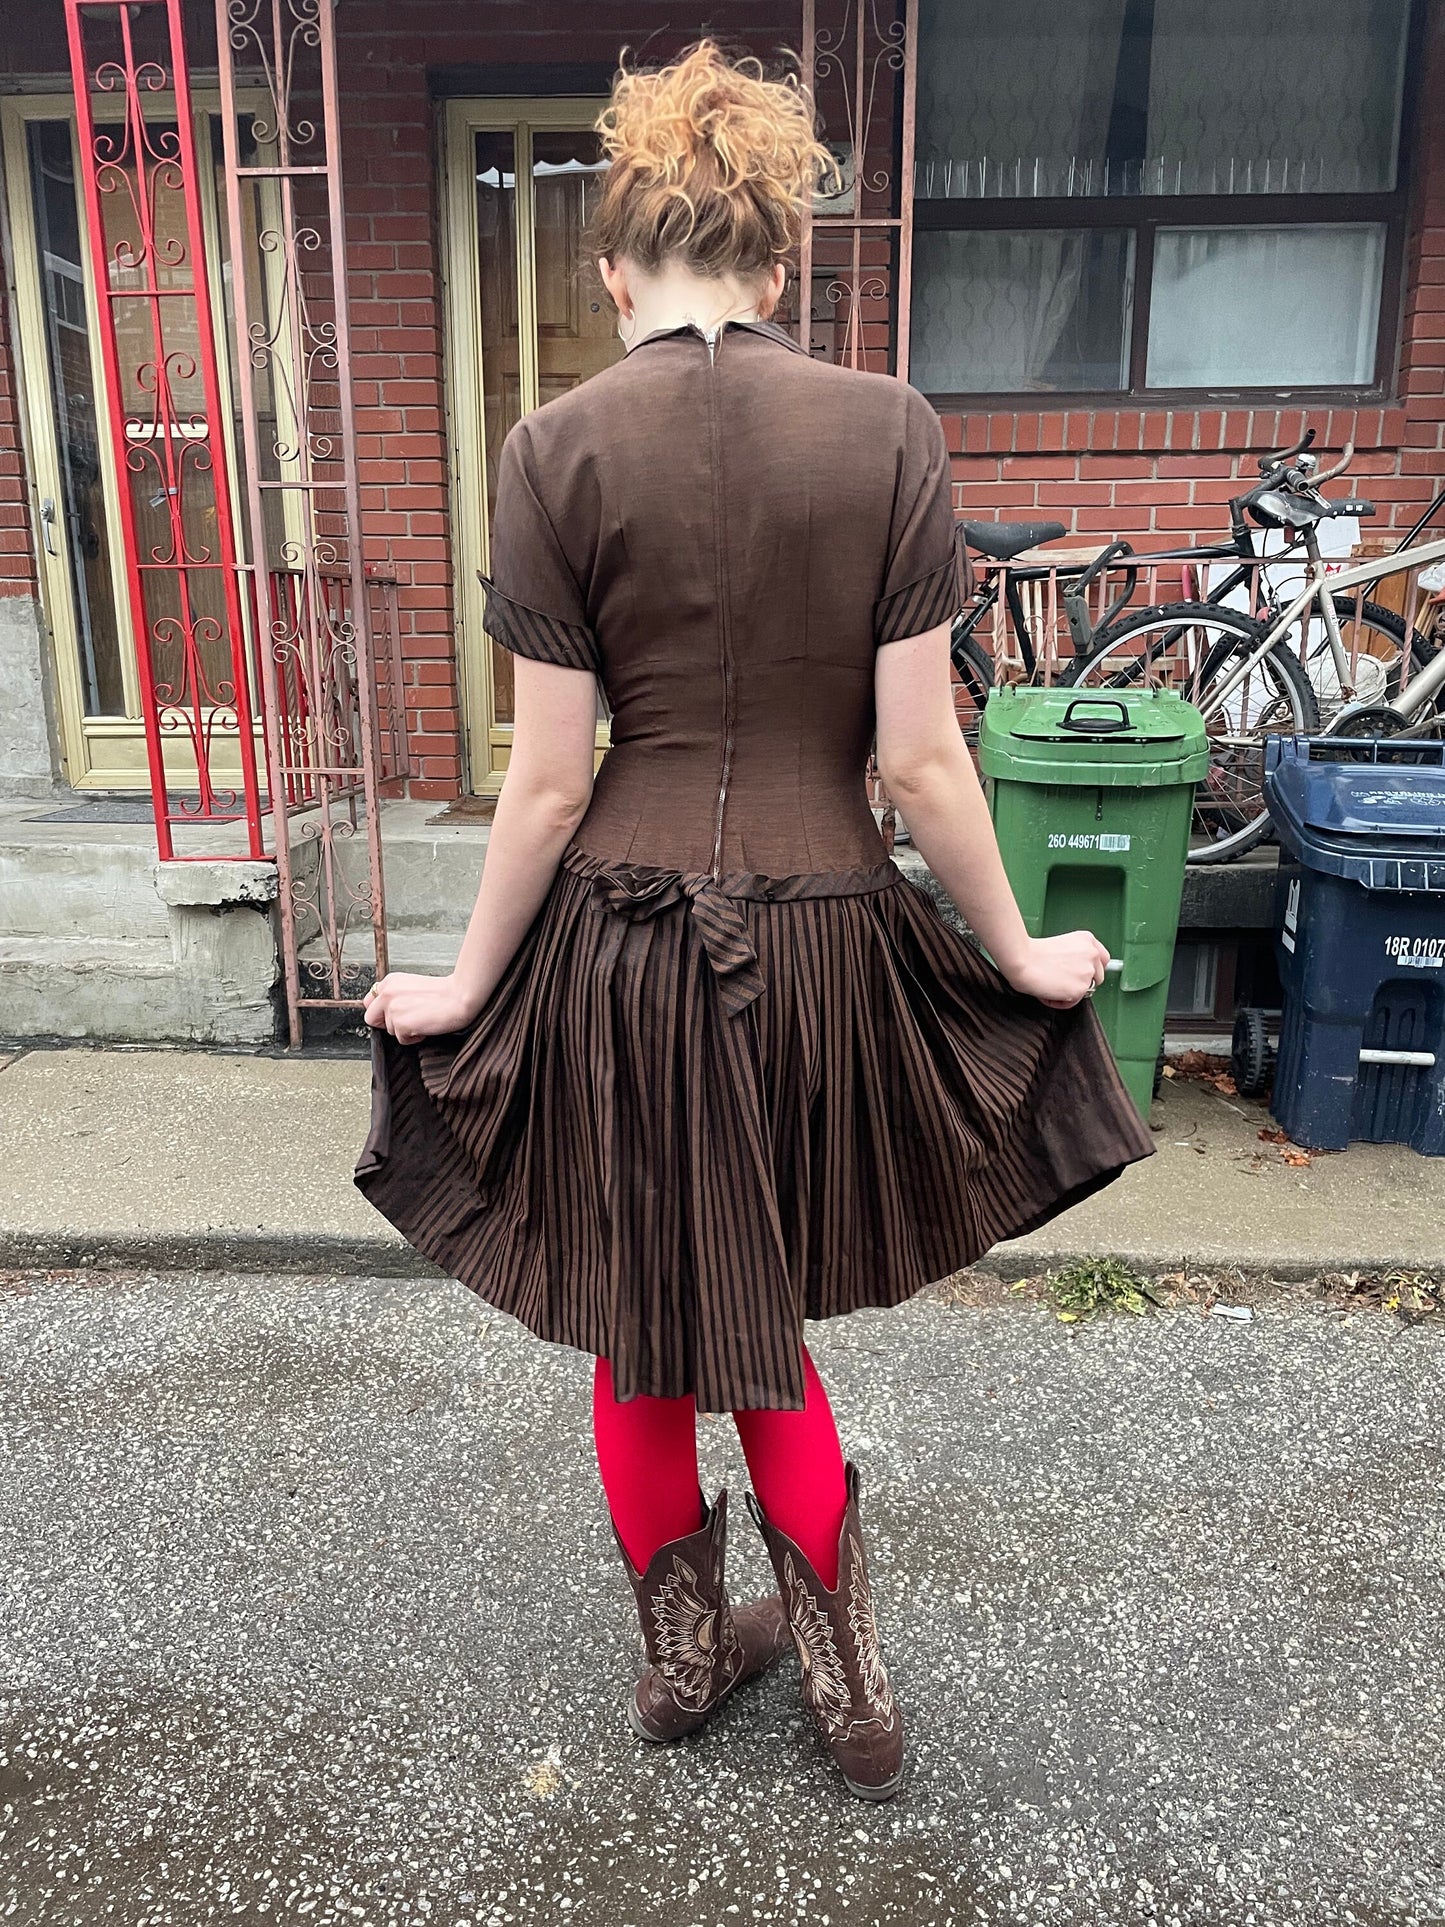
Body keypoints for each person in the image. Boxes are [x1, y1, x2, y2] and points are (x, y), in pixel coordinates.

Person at [355, 39, 1154, 1801]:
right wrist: (1016, 953)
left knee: (657, 1313)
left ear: (616, 267)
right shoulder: (887, 430)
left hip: (620, 950)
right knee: (758, 1301)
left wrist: (463, 985)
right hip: (823, 940)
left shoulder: (552, 449)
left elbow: (550, 784)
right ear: (782, 261)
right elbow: (921, 757)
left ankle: (679, 1662)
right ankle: (851, 1685)